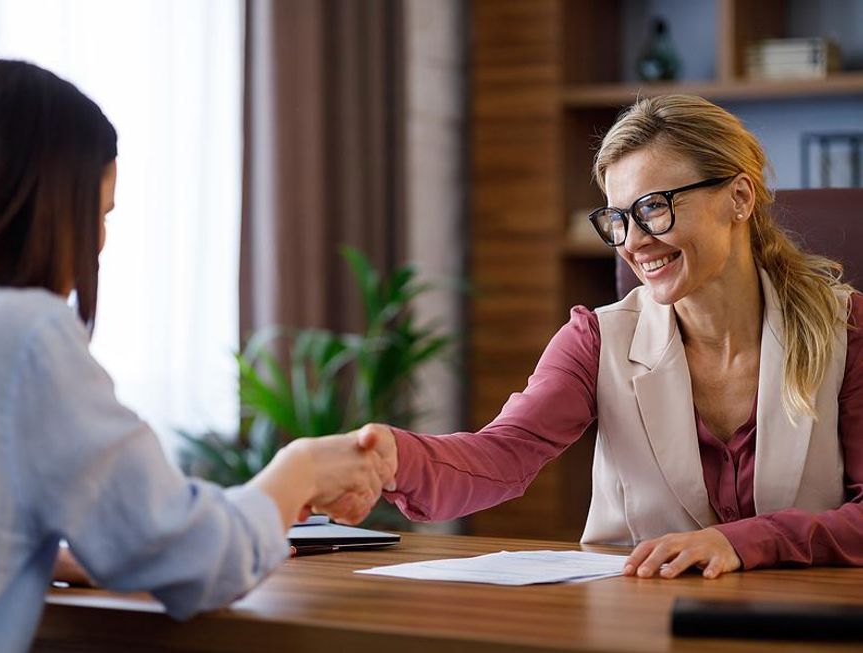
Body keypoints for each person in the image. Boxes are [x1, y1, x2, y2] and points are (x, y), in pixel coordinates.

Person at [0, 60, 393, 653]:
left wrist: (56, 553)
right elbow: (199, 561)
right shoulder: (21, 338)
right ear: (39, 206)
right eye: (96, 213)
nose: (98, 241)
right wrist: (301, 468)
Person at [359, 94, 863, 580]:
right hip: (636, 618)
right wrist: (392, 460)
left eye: (653, 208)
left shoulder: (846, 329)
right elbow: (503, 455)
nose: (634, 241)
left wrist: (743, 541)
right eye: (618, 219)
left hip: (802, 621)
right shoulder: (596, 339)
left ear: (739, 197)